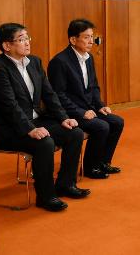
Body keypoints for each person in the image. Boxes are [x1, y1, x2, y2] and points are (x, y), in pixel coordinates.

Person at [0, 23, 88, 212]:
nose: (27, 43)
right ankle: (46, 196)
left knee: (74, 132)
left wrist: (63, 117)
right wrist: (29, 129)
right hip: (10, 128)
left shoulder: (34, 61)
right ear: (6, 46)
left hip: (36, 120)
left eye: (27, 38)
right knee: (45, 143)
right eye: (21, 39)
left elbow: (49, 94)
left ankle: (65, 184)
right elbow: (9, 106)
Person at [48, 19, 124, 179]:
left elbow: (94, 87)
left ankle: (103, 162)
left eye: (92, 37)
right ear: (73, 40)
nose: (91, 41)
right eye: (86, 37)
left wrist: (100, 105)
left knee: (117, 122)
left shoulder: (88, 58)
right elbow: (58, 95)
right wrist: (81, 112)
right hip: (70, 112)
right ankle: (91, 167)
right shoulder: (60, 62)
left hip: (88, 108)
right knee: (101, 127)